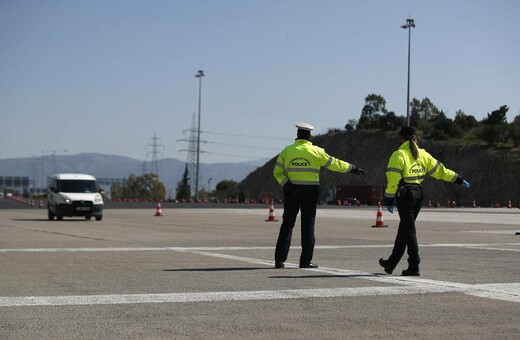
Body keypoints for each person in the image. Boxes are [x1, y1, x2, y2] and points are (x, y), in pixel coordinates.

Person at [379, 126, 471, 276]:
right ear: (415, 138)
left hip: (406, 196)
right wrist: (458, 179)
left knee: (409, 231)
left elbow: (393, 180)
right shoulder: (423, 154)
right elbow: (441, 171)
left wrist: (389, 198)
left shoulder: (399, 154)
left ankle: (414, 265)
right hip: (418, 195)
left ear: (401, 138)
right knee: (404, 230)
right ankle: (391, 263)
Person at [273, 123, 366, 269]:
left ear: (297, 135)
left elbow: (277, 172)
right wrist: (352, 168)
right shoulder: (316, 151)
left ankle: (279, 260)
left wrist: (286, 184)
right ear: (310, 136)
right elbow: (334, 163)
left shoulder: (287, 151)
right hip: (310, 192)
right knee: (308, 226)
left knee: (287, 224)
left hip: (292, 191)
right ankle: (305, 262)